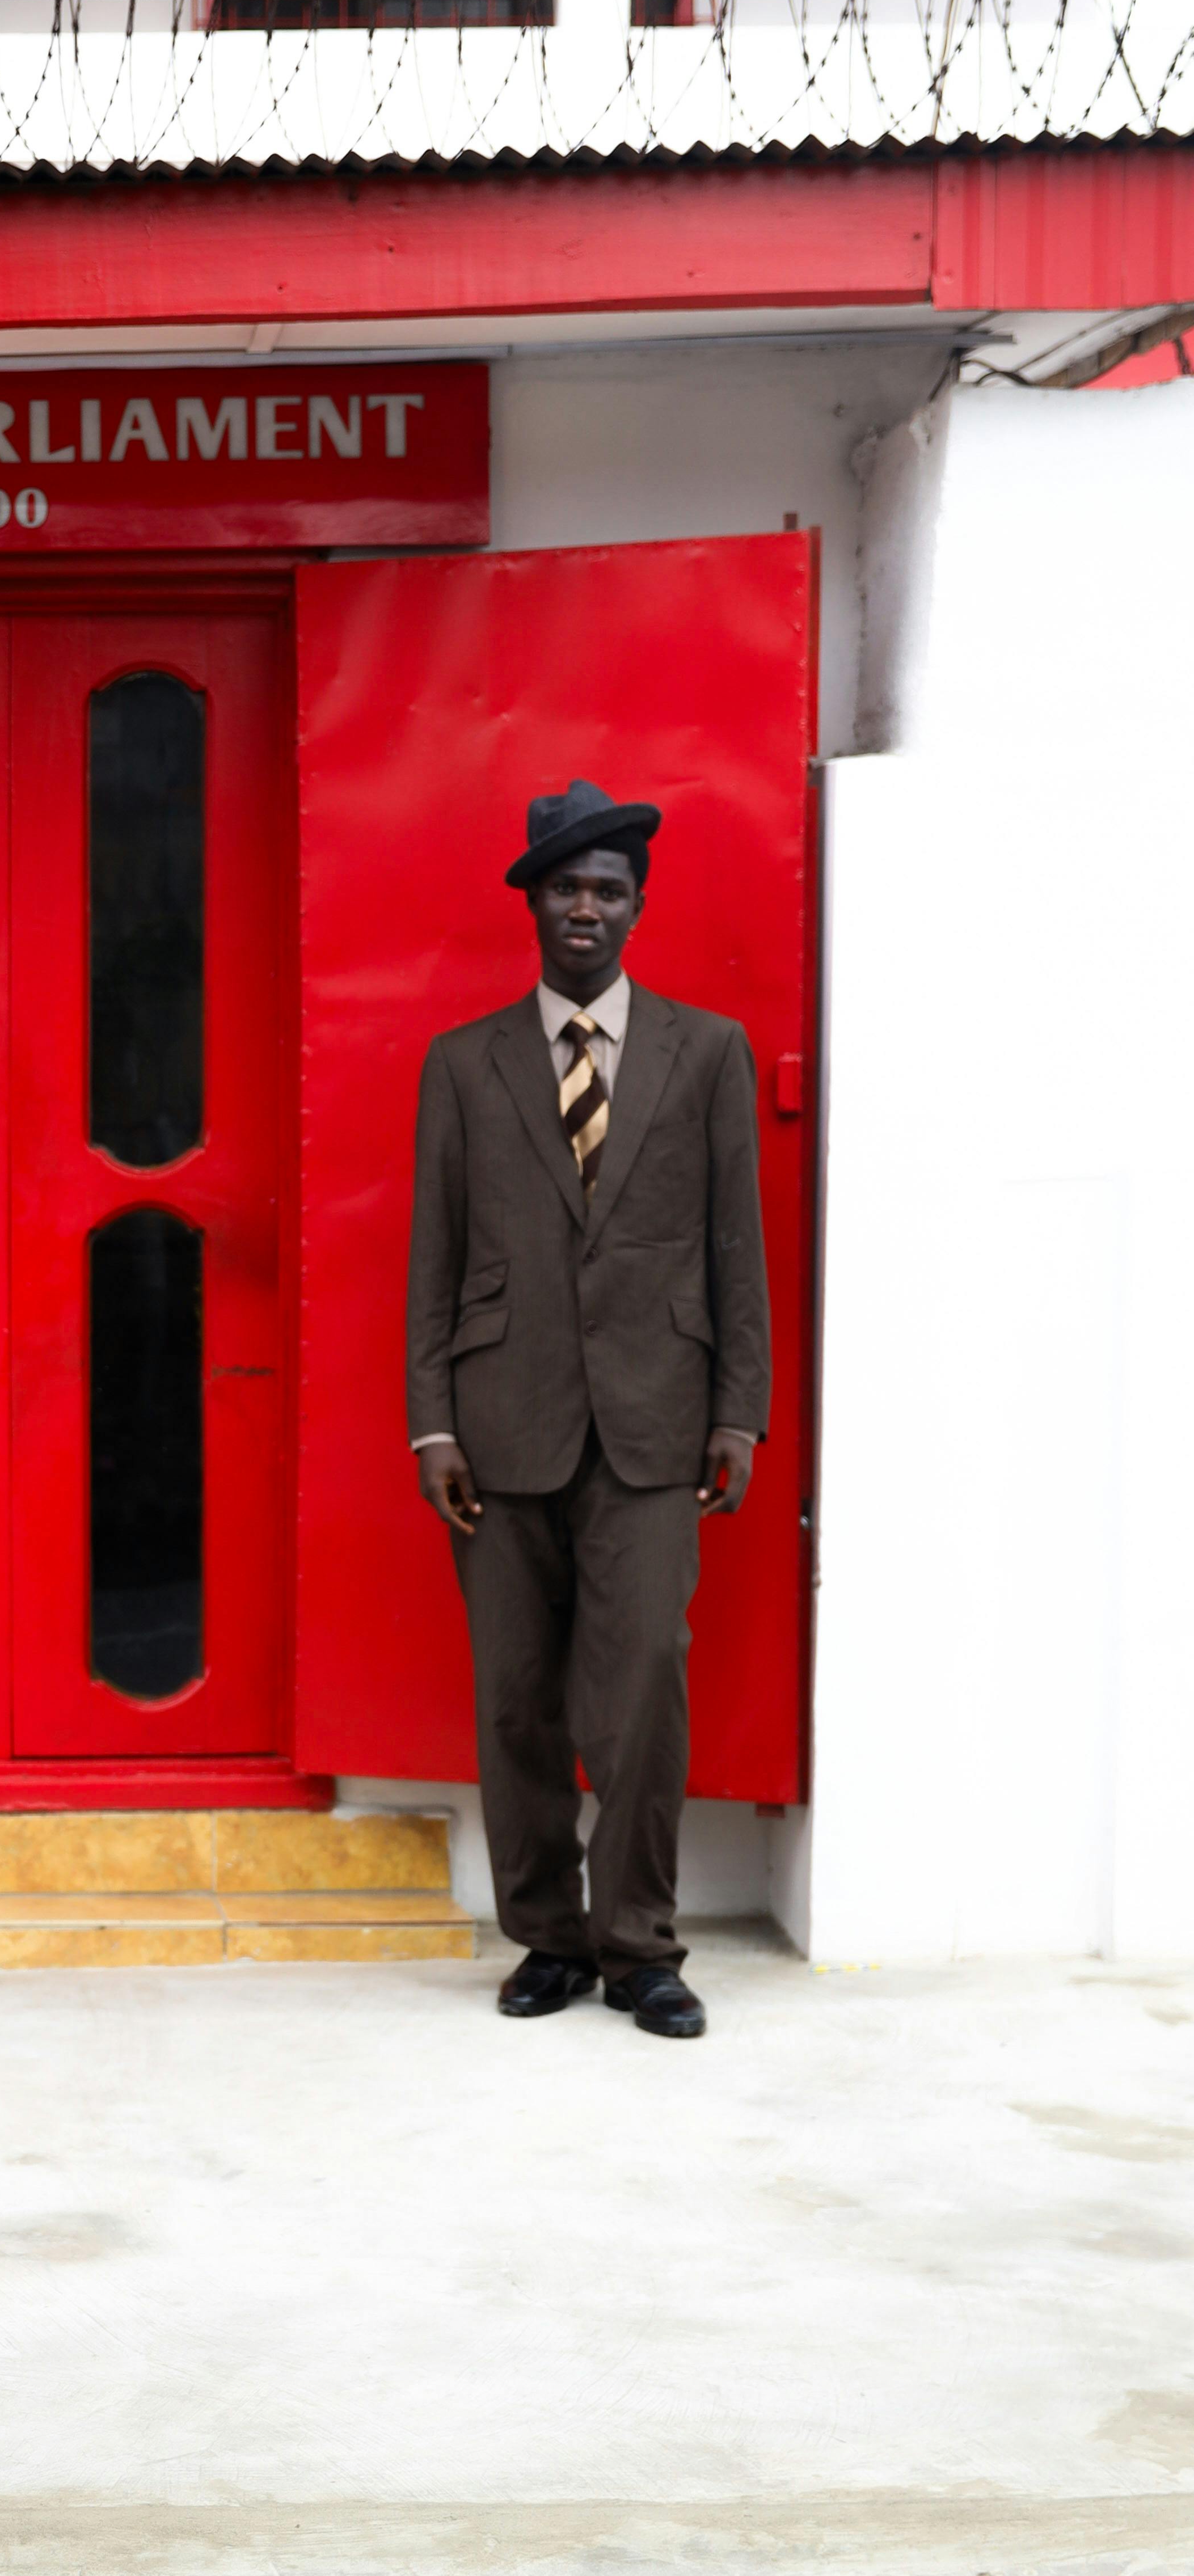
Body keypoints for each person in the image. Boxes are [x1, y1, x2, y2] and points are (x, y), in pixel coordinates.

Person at [404, 780, 771, 2041]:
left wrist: (739, 1410)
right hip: (498, 1428)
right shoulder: (461, 1065)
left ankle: (638, 1945)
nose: (584, 907)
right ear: (533, 902)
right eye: (563, 886)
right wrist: (431, 1425)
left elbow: (736, 1249)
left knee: (640, 1688)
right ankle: (547, 1939)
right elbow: (431, 1259)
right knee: (513, 1695)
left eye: (606, 889)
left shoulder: (706, 1052)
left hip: (657, 1424)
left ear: (635, 905)